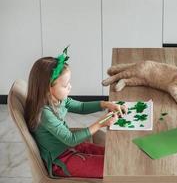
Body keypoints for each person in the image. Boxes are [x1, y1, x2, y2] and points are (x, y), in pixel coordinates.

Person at [24, 46, 127, 178]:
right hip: (61, 161)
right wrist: (101, 122)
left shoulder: (58, 99)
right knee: (113, 167)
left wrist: (106, 104)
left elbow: (82, 107)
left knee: (116, 157)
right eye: (65, 85)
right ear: (48, 88)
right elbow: (71, 139)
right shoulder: (44, 114)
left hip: (70, 148)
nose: (70, 87)